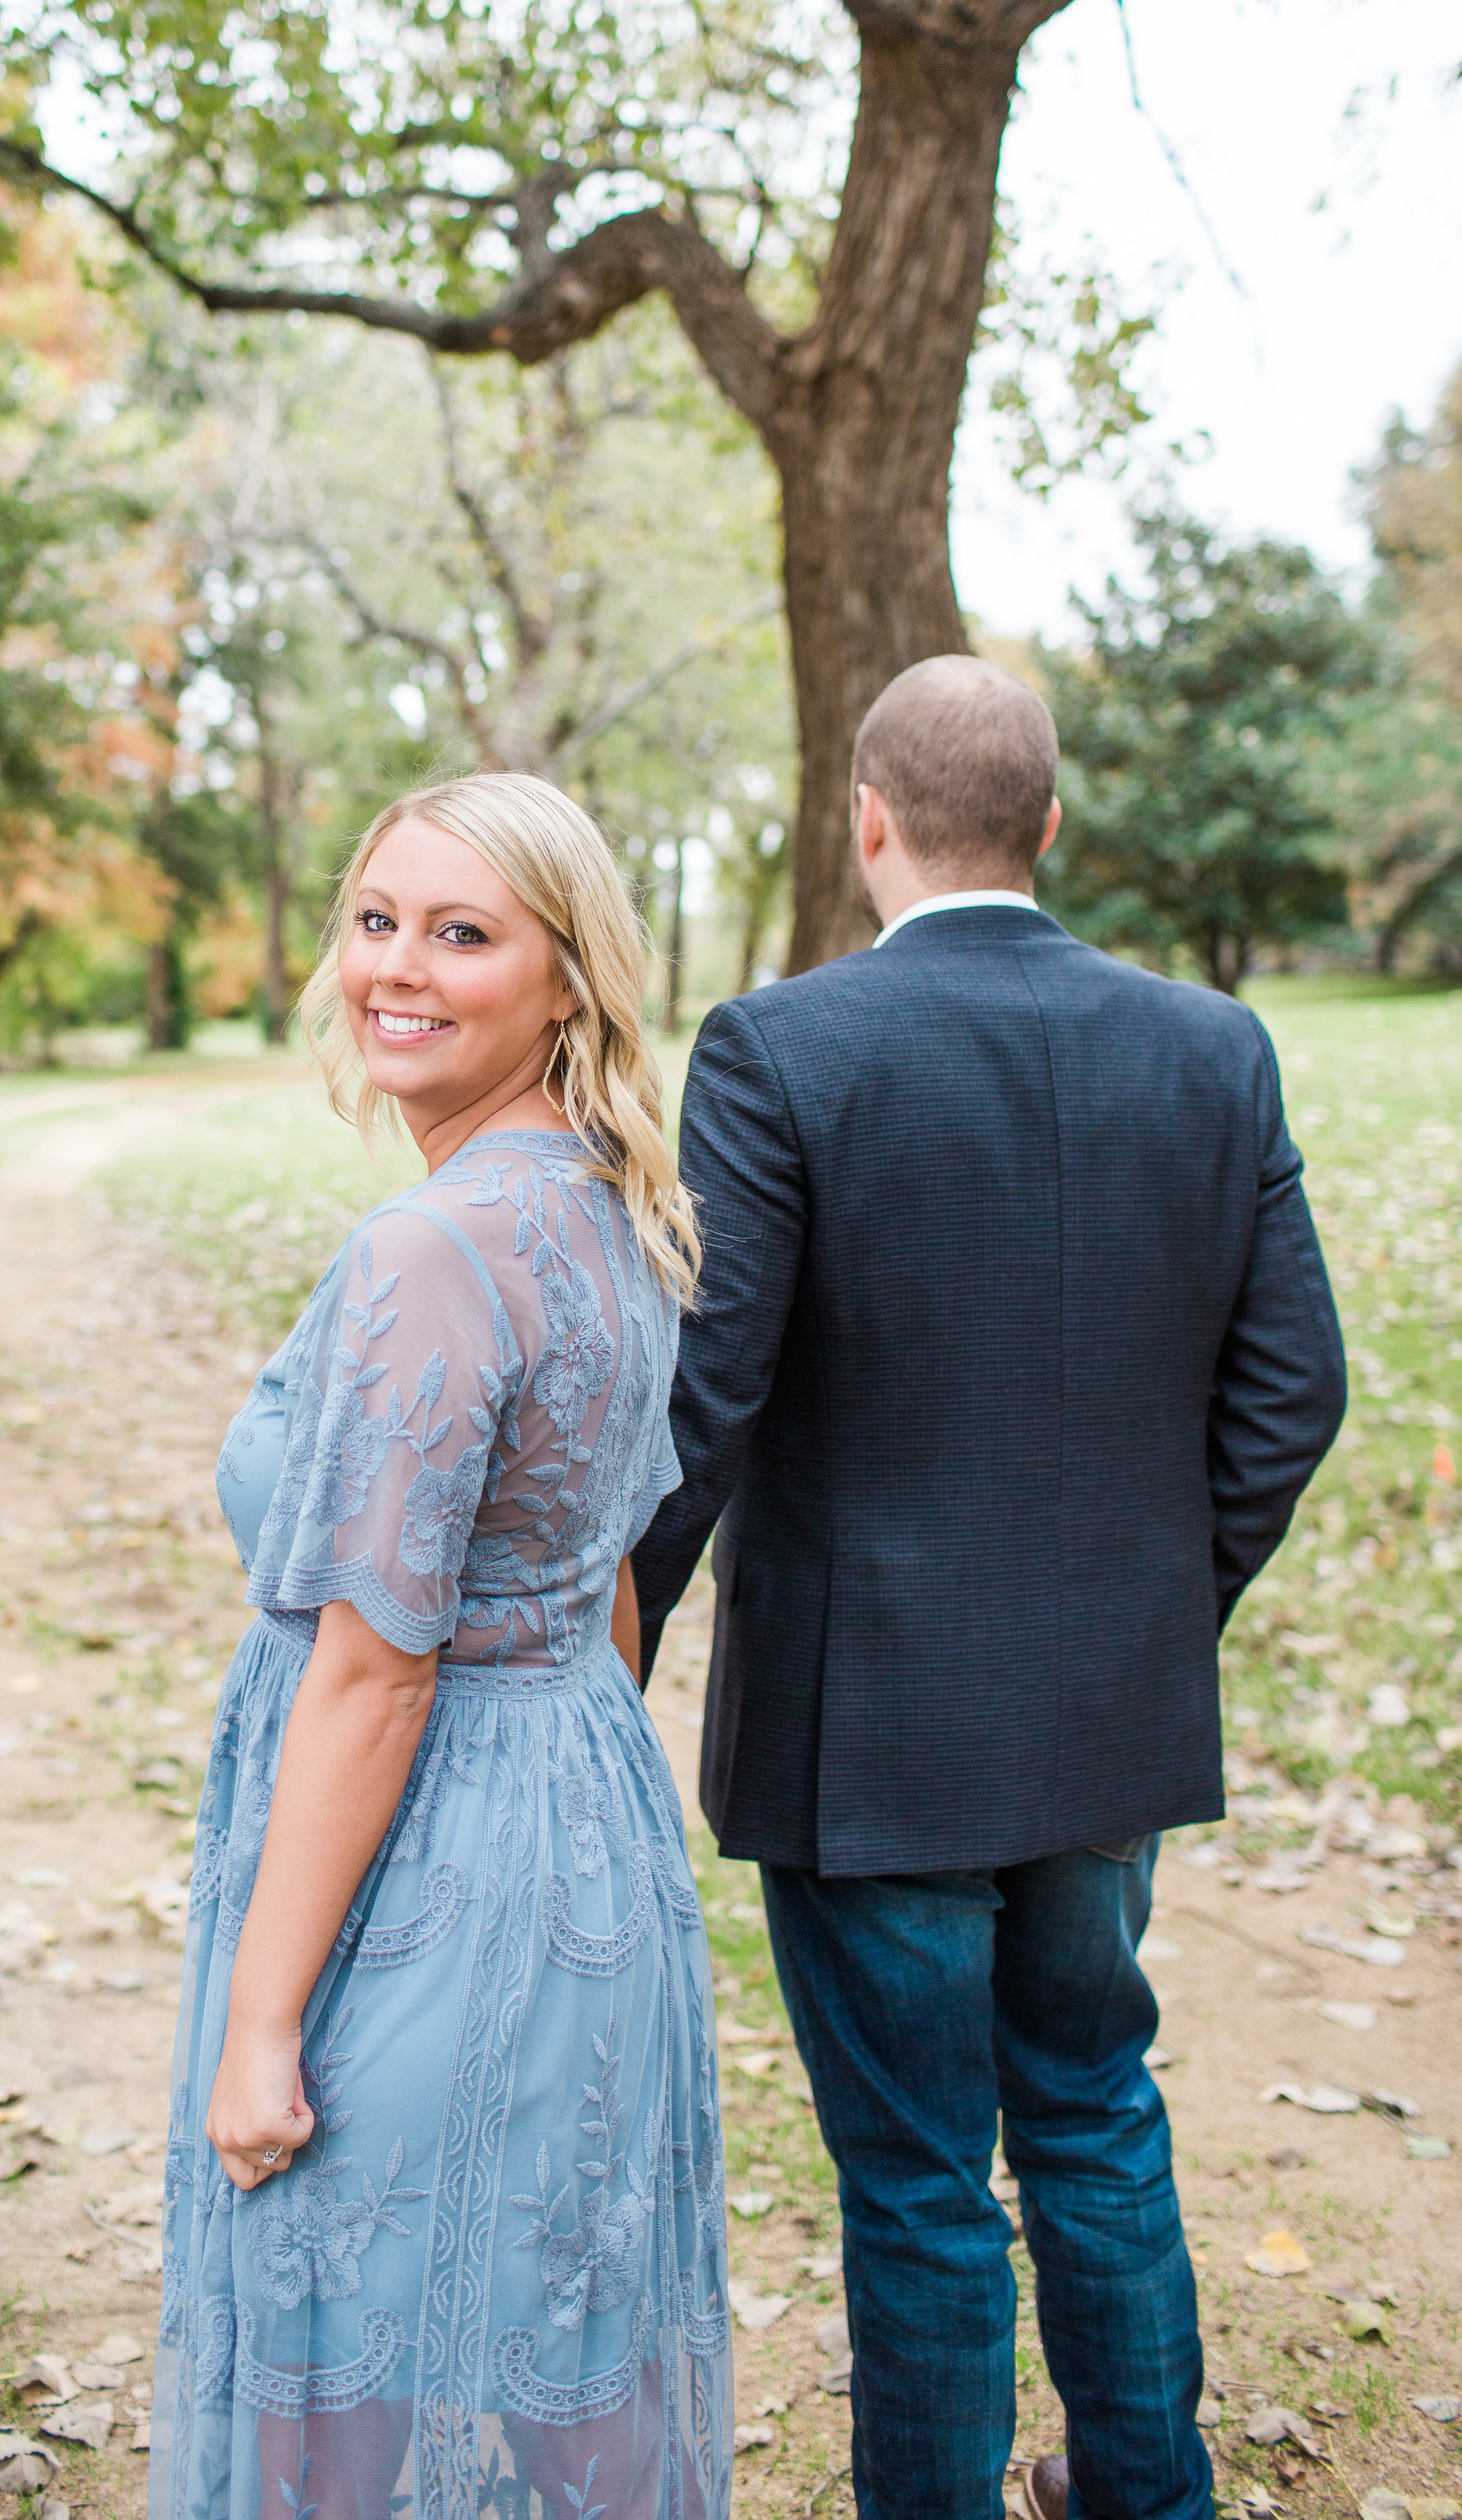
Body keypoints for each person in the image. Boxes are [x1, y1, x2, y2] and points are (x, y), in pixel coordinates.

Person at [632, 657, 1346, 2520]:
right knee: (1097, 2115)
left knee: (919, 2177)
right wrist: (1155, 1605)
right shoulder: (1212, 1046)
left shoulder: (779, 1050)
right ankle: (1142, 2496)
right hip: (1105, 1709)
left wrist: (602, 1636)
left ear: (862, 821)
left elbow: (705, 1395)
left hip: (866, 1734)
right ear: (1049, 824)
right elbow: (1293, 1395)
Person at [153, 773, 731, 2520]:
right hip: (584, 1837)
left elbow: (374, 1669)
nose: (396, 968)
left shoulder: (433, 1246)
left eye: (461, 933)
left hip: (421, 1881)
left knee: (345, 2377)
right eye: (376, 920)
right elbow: (605, 1580)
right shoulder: (612, 1198)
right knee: (557, 2350)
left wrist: (262, 2027)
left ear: (568, 980)